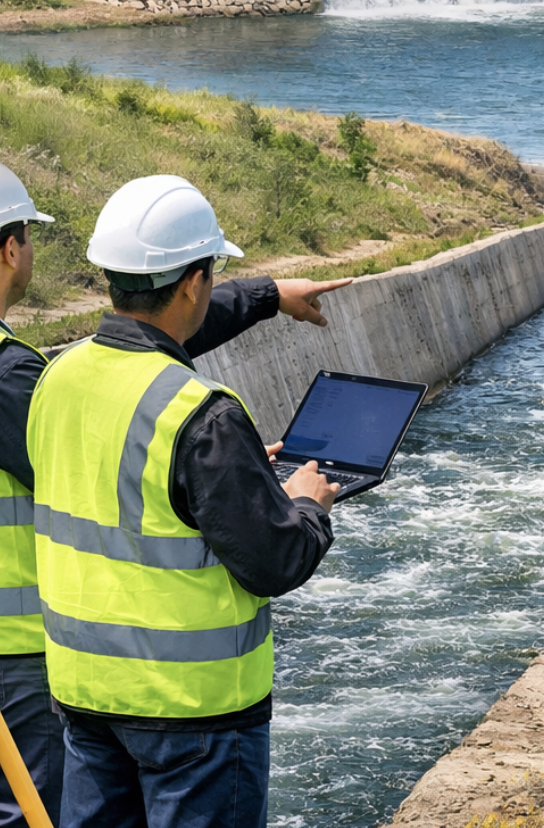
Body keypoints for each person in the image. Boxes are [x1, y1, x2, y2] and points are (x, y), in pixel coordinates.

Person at [0, 154, 349, 828]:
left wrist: (218, 472)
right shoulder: (0, 370)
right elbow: (262, 551)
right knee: (15, 813)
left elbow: (128, 358)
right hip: (23, 656)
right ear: (11, 247)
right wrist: (273, 493)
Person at [27, 175, 338, 828]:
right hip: (195, 715)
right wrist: (306, 504)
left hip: (86, 697)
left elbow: (128, 498)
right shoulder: (203, 416)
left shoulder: (56, 377)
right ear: (195, 281)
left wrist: (237, 485)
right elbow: (275, 560)